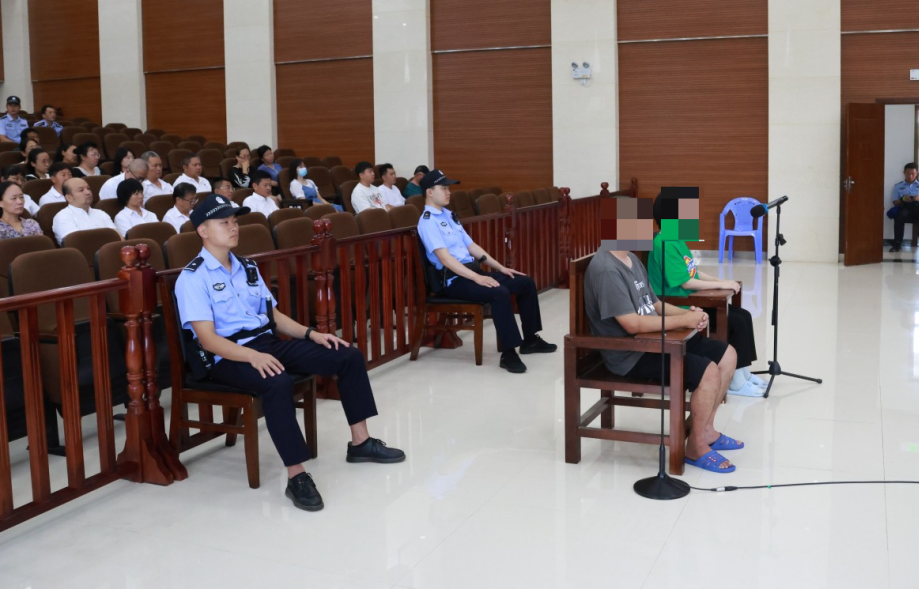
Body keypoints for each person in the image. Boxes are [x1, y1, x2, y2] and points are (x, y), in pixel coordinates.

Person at [175, 194, 405, 511]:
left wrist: (313, 334)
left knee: (346, 354)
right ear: (202, 230)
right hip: (226, 357)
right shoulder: (192, 277)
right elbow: (208, 340)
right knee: (278, 382)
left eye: (235, 221)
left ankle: (361, 442)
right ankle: (296, 475)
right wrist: (252, 357)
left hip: (266, 343)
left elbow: (274, 316)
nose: (233, 227)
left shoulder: (247, 267)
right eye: (224, 222)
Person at [584, 196, 740, 473]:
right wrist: (681, 320)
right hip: (630, 353)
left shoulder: (631, 258)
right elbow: (631, 324)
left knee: (727, 355)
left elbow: (654, 304)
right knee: (707, 371)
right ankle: (695, 448)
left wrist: (688, 314)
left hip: (654, 342)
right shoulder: (607, 268)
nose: (651, 229)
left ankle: (705, 431)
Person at [417, 169, 556, 374]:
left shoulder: (448, 215)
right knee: (499, 293)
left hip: (472, 274)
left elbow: (472, 247)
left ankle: (530, 340)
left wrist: (500, 268)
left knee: (523, 282)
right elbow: (445, 259)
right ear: (429, 192)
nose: (448, 192)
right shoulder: (428, 222)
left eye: (448, 188)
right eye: (443, 188)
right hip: (454, 280)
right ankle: (508, 353)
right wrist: (477, 278)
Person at [647, 190, 766, 398]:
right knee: (736, 322)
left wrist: (721, 282)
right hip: (678, 305)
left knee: (743, 315)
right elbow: (685, 282)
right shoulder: (663, 243)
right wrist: (720, 286)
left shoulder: (674, 238)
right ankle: (736, 383)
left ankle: (743, 373)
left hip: (690, 299)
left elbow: (693, 271)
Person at [52, 178, 120, 245]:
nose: (88, 192)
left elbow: (118, 238)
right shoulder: (63, 216)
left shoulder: (101, 213)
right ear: (69, 197)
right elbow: (75, 243)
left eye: (88, 188)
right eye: (81, 190)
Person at [889, 162, 919, 255]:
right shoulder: (898, 186)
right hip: (907, 208)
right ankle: (897, 244)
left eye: (913, 174)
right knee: (898, 216)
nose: (910, 176)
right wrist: (903, 199)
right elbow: (895, 202)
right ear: (904, 173)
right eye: (908, 173)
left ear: (917, 174)